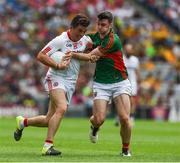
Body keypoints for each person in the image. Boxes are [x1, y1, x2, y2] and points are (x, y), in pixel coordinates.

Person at [13, 14, 93, 156]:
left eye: (84, 31)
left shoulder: (85, 41)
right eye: (79, 30)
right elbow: (41, 55)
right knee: (61, 108)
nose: (82, 34)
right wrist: (57, 64)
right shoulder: (60, 40)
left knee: (48, 120)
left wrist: (82, 54)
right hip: (55, 77)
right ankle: (47, 146)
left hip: (70, 82)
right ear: (71, 27)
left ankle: (23, 122)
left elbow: (89, 54)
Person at [72, 11, 132, 156]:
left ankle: (125, 150)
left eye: (103, 25)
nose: (100, 27)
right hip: (101, 84)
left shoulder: (113, 40)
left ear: (110, 25)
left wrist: (71, 53)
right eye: (98, 24)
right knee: (98, 119)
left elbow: (91, 56)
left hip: (120, 82)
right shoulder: (95, 36)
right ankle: (94, 127)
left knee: (124, 118)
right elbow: (83, 40)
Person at [115, 43, 140, 126]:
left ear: (132, 50)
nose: (128, 51)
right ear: (125, 50)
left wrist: (138, 81)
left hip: (133, 82)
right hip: (123, 81)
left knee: (132, 101)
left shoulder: (135, 59)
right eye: (127, 49)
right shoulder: (121, 58)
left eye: (130, 49)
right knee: (121, 100)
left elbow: (137, 71)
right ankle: (120, 117)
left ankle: (131, 117)